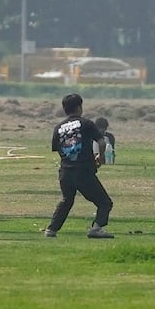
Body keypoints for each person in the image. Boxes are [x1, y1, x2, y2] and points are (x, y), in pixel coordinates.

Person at [46, 92, 114, 239]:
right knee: (104, 202)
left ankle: (51, 230)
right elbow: (101, 142)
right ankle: (96, 229)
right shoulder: (87, 123)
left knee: (67, 200)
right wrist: (100, 157)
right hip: (83, 170)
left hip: (65, 171)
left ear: (64, 109)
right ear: (79, 107)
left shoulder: (58, 128)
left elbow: (58, 149)